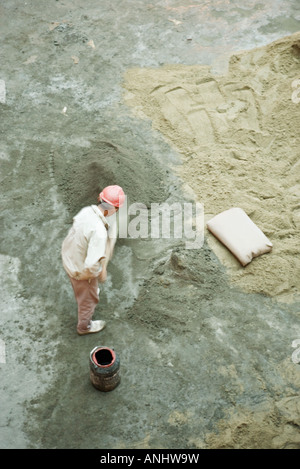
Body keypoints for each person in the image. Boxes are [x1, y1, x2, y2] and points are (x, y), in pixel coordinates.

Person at [61, 185, 125, 335]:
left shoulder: (86, 211)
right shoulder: (99, 232)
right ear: (115, 209)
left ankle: (86, 290)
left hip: (69, 257)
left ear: (99, 198)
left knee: (85, 290)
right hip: (80, 271)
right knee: (88, 300)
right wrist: (100, 272)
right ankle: (84, 327)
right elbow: (90, 265)